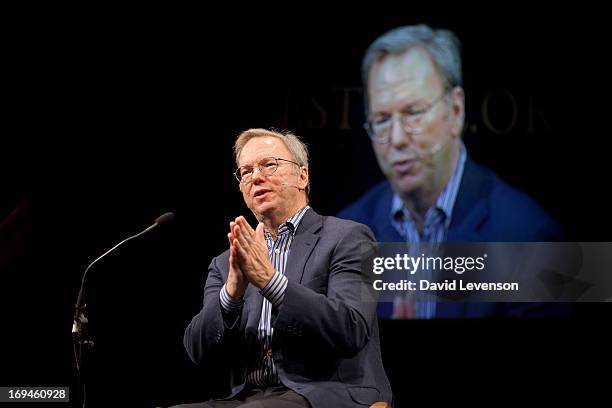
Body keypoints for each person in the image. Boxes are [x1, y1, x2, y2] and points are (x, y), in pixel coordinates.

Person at [337, 24, 565, 319]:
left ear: (455, 110)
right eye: (381, 119)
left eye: (414, 113)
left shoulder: (528, 236)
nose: (396, 139)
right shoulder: (346, 235)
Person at [174, 129, 392, 407]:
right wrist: (230, 295)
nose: (256, 177)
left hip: (325, 392)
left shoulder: (348, 238)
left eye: (269, 165)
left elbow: (350, 329)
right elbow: (197, 351)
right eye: (246, 171)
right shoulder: (227, 262)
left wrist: (270, 282)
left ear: (302, 176)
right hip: (246, 397)